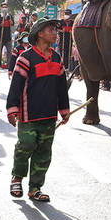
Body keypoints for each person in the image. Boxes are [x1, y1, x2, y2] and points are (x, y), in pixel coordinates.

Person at [7, 17, 70, 202]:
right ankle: (17, 177)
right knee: (26, 145)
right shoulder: (25, 58)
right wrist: (12, 109)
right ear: (40, 34)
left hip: (49, 115)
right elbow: (16, 86)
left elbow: (61, 88)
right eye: (51, 30)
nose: (55, 33)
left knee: (43, 152)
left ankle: (35, 188)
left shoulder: (57, 58)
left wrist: (64, 110)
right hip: (28, 114)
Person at [0, 2, 14, 69]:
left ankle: (9, 65)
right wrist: (0, 25)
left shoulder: (10, 16)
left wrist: (12, 23)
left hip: (8, 37)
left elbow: (13, 24)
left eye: (6, 7)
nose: (4, 8)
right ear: (1, 8)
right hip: (0, 38)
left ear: (7, 8)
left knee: (9, 52)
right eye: (3, 7)